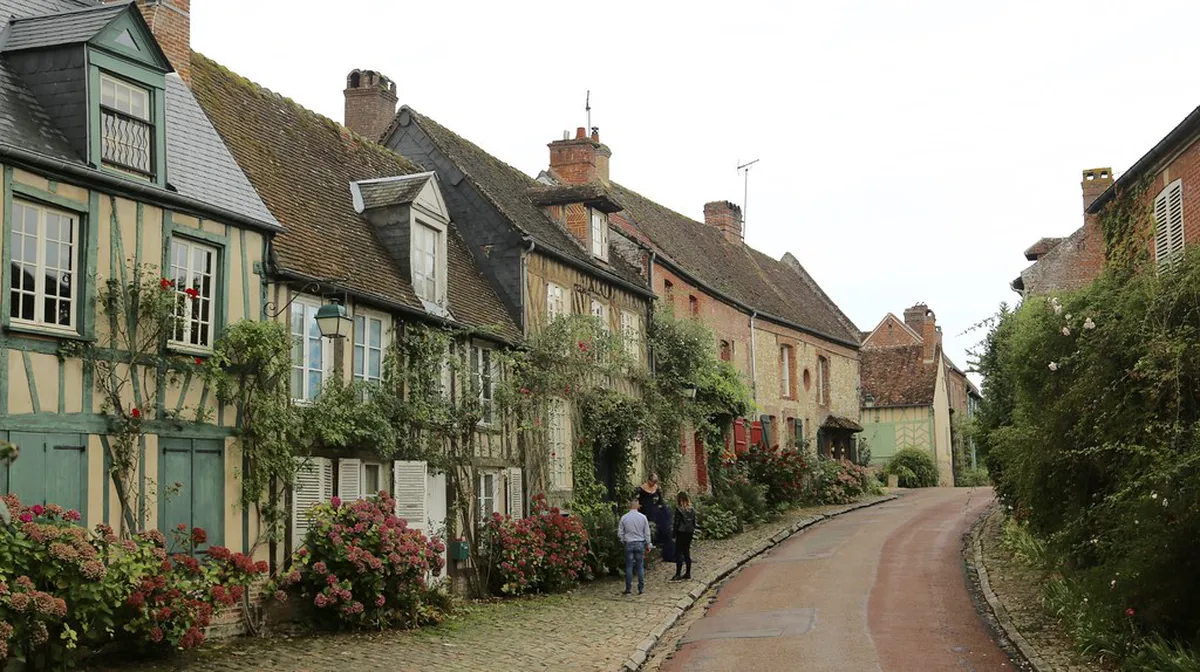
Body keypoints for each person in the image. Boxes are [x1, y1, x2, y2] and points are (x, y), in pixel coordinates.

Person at [636, 473, 675, 562]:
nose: (654, 483)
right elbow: (637, 500)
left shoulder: (657, 489)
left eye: (655, 481)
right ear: (649, 480)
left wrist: (660, 506)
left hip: (656, 511)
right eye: (653, 481)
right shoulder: (641, 489)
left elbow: (660, 500)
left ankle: (660, 541)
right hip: (645, 512)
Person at [617, 495, 652, 595]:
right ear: (637, 506)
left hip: (629, 543)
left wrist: (623, 540)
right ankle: (640, 588)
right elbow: (647, 532)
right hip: (640, 543)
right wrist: (648, 544)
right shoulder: (643, 517)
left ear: (630, 506)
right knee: (640, 566)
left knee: (629, 566)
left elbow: (620, 533)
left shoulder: (624, 517)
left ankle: (628, 588)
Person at [671, 491, 696, 581]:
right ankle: (688, 573)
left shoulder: (679, 509)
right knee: (686, 552)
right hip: (689, 532)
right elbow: (694, 522)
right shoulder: (692, 509)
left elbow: (676, 523)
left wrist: (673, 534)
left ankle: (678, 573)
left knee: (679, 553)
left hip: (681, 532)